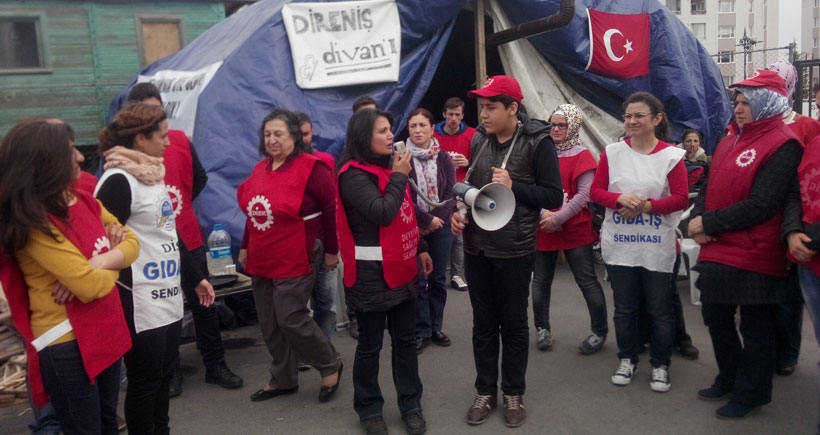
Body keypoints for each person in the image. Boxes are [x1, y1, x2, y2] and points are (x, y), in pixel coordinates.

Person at [0, 118, 139, 434]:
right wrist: (111, 264)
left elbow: (133, 242)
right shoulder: (34, 224)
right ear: (45, 162)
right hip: (66, 342)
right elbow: (89, 287)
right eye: (69, 151)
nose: (79, 157)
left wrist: (93, 264)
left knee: (107, 424)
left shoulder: (84, 200)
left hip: (102, 327)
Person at [688, 69, 802, 419]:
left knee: (756, 327)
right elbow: (709, 186)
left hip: (756, 251)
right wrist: (696, 220)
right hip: (718, 246)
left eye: (746, 102)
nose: (738, 108)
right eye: (736, 101)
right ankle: (729, 375)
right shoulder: (728, 139)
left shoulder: (784, 144)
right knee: (715, 315)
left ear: (768, 102)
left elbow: (763, 204)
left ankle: (752, 392)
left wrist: (709, 222)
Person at [452, 75, 563, 428]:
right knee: (483, 324)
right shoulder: (480, 140)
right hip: (477, 248)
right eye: (480, 107)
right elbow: (473, 190)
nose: (483, 115)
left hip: (515, 249)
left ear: (512, 108)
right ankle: (485, 390)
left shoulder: (538, 140)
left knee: (513, 325)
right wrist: (460, 213)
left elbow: (553, 197)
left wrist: (516, 187)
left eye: (490, 107)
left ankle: (514, 392)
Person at [126, 82, 243, 397]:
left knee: (204, 304)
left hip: (187, 236)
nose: (156, 117)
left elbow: (200, 178)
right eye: (148, 112)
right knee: (164, 308)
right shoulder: (126, 159)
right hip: (151, 248)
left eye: (158, 109)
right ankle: (171, 370)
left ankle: (215, 364)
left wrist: (180, 206)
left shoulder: (178, 141)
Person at [96, 103, 205, 433]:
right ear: (140, 139)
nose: (168, 142)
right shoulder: (117, 181)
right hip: (139, 298)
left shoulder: (151, 175)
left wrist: (196, 278)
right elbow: (98, 238)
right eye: (161, 136)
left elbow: (168, 234)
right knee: (145, 380)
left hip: (168, 294)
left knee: (163, 375)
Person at [336, 108, 432, 435]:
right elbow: (383, 213)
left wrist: (419, 247)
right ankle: (369, 408)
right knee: (370, 346)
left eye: (391, 129)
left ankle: (411, 404)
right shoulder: (352, 175)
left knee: (406, 343)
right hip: (370, 277)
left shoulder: (390, 168)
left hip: (402, 270)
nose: (391, 136)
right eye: (382, 131)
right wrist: (400, 175)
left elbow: (405, 213)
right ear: (364, 137)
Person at [236, 109, 342, 404]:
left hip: (299, 253)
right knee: (269, 322)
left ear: (295, 136)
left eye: (278, 133)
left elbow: (331, 210)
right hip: (263, 253)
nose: (272, 139)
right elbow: (254, 212)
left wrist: (332, 250)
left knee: (291, 317)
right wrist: (244, 246)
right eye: (267, 134)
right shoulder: (261, 169)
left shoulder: (314, 168)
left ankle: (329, 363)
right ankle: (283, 378)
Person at [589, 92, 689, 393]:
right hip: (622, 245)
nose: (631, 121)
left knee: (660, 309)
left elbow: (681, 198)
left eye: (638, 116)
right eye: (628, 116)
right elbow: (596, 191)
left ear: (656, 119)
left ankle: (660, 364)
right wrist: (618, 197)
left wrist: (647, 206)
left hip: (656, 245)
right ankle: (627, 358)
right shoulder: (613, 152)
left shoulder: (671, 156)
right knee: (624, 308)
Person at [532, 104, 608, 354]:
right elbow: (532, 187)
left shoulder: (583, 155)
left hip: (575, 229)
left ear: (573, 126)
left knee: (587, 281)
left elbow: (585, 194)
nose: (555, 129)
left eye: (561, 125)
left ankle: (599, 331)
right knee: (541, 281)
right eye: (552, 124)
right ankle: (542, 328)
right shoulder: (541, 152)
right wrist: (545, 215)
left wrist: (559, 218)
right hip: (544, 226)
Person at [767, 60, 820, 376]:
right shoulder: (751, 123)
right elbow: (802, 186)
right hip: (785, 223)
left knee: (789, 298)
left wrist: (807, 236)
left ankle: (788, 352)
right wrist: (793, 231)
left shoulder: (809, 129)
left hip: (804, 234)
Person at [405, 108, 456, 353]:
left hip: (441, 227)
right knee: (418, 279)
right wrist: (424, 220)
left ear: (432, 128)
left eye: (422, 125)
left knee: (437, 278)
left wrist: (436, 220)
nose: (417, 130)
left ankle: (436, 326)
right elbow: (402, 195)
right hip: (414, 226)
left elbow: (451, 194)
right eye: (413, 126)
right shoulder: (402, 159)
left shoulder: (444, 158)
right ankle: (421, 330)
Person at [783, 133, 820, 434]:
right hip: (810, 262)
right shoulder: (816, 144)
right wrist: (793, 231)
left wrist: (813, 239)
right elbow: (795, 190)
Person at [295, 111, 338, 341]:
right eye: (297, 134)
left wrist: (332, 250)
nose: (302, 139)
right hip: (296, 248)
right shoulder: (283, 166)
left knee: (326, 302)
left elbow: (331, 208)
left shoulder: (323, 162)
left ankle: (325, 348)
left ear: (313, 133)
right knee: (301, 305)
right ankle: (306, 350)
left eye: (306, 134)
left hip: (323, 245)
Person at [433, 97, 475, 291]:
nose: (454, 119)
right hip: (438, 192)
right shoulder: (433, 135)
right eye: (450, 114)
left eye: (457, 115)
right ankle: (433, 274)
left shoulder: (472, 135)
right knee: (437, 231)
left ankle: (457, 274)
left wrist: (468, 162)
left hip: (463, 190)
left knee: (458, 235)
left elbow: (482, 162)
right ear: (444, 114)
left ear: (462, 115)